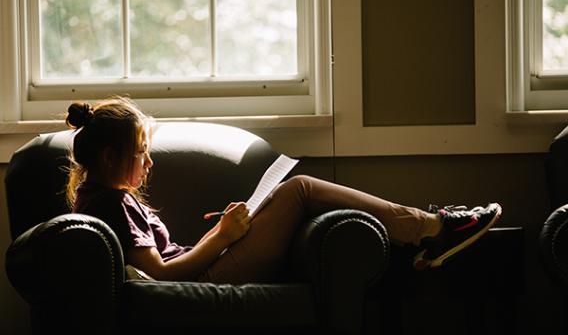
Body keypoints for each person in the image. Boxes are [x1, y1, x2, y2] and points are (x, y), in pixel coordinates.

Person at [65, 97, 502, 283]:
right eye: (142, 152)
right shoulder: (113, 202)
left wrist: (226, 232)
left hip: (207, 268)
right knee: (300, 190)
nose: (150, 162)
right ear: (109, 158)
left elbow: (162, 263)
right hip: (208, 279)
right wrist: (223, 238)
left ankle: (421, 241)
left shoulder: (99, 198)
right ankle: (431, 227)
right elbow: (159, 275)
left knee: (291, 198)